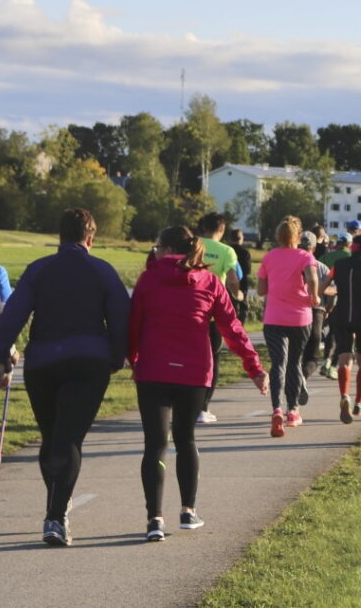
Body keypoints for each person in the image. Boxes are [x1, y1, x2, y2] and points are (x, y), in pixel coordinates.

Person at [0, 209, 130, 546]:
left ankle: (57, 504)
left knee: (51, 435)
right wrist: (119, 357)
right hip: (89, 361)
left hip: (42, 363)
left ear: (60, 236)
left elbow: (13, 315)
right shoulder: (103, 271)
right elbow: (121, 319)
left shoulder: (38, 270)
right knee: (68, 438)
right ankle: (56, 516)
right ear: (91, 238)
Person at [129, 226, 267, 541]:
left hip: (153, 370)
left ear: (164, 249)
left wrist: (132, 356)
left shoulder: (149, 279)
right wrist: (253, 367)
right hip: (193, 373)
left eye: (156, 246)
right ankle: (188, 511)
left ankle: (154, 519)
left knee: (155, 445)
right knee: (186, 439)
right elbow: (231, 327)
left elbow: (134, 322)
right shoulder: (209, 281)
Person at [257, 216, 319, 437]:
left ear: (278, 236)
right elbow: (312, 277)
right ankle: (293, 411)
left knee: (277, 363)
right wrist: (314, 295)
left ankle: (276, 408)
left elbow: (261, 290)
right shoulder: (305, 256)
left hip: (273, 318)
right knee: (294, 362)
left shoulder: (269, 257)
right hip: (300, 318)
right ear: (298, 236)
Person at [321, 233, 361, 423]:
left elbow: (323, 287)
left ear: (352, 247)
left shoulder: (338, 266)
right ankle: (359, 400)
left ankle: (344, 395)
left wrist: (337, 290)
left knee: (344, 358)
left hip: (341, 315)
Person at [196, 212, 244, 424]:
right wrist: (237, 295)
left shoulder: (192, 244)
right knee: (213, 358)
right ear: (222, 230)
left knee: (189, 356)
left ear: (202, 227)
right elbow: (233, 279)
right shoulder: (227, 251)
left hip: (189, 309)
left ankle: (183, 403)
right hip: (213, 313)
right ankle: (203, 408)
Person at [298, 231, 330, 385]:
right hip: (316, 310)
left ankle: (294, 379)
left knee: (295, 351)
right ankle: (303, 376)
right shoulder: (321, 267)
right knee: (313, 355)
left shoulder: (291, 264)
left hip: (294, 311)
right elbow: (331, 290)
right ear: (315, 247)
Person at [228, 228, 252, 324]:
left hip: (228, 281)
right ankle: (240, 324)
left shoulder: (227, 250)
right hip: (242, 282)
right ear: (241, 238)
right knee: (242, 306)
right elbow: (247, 270)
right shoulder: (245, 252)